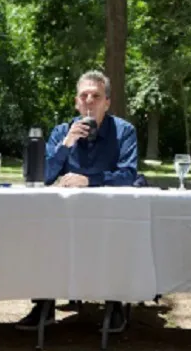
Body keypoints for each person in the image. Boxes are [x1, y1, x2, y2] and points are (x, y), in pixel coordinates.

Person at [16, 71, 139, 332]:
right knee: (39, 231)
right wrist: (66, 144)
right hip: (66, 218)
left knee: (120, 233)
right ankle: (44, 303)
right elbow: (43, 175)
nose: (89, 101)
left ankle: (114, 303)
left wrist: (89, 180)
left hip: (109, 217)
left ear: (107, 102)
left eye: (96, 96)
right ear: (76, 102)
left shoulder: (124, 132)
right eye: (84, 96)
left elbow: (128, 175)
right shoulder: (62, 131)